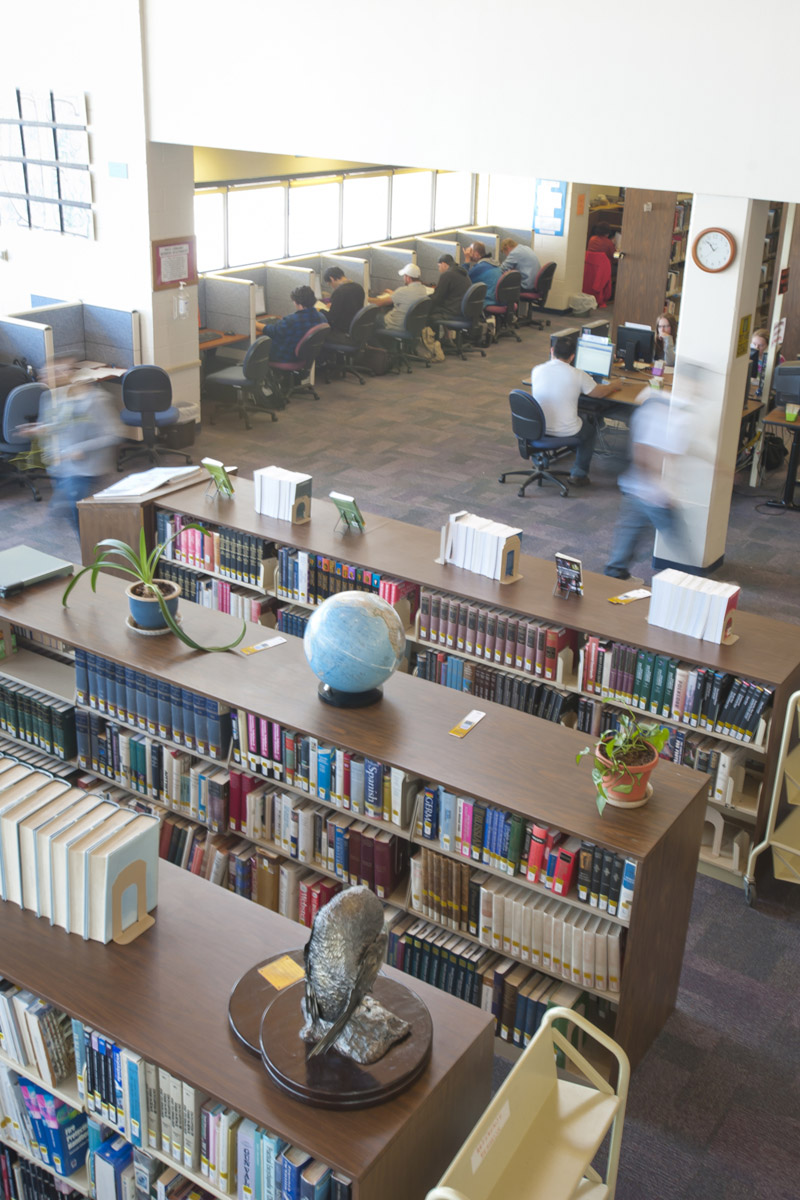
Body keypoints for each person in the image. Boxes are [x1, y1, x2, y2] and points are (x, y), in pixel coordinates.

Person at [20, 357, 121, 537]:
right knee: (73, 516)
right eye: (43, 375)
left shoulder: (96, 400)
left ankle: (98, 554)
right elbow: (55, 424)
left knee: (82, 521)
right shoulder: (50, 397)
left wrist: (81, 449)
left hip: (86, 469)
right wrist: (38, 429)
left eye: (48, 375)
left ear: (67, 374)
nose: (43, 379)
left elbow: (113, 434)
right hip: (61, 467)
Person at [604, 386, 690, 579]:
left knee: (629, 533)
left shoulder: (645, 412)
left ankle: (614, 573)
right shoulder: (675, 419)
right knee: (678, 540)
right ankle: (694, 584)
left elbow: (641, 450)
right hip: (654, 493)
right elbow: (652, 455)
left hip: (635, 486)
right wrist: (663, 488)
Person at [530, 338, 621, 487]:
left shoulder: (537, 370)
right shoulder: (578, 375)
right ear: (572, 357)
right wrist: (614, 385)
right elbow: (598, 393)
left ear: (552, 351)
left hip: (538, 429)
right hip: (566, 431)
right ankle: (579, 474)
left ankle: (541, 459)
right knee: (589, 430)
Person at [261, 285, 328, 361]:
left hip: (289, 359)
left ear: (296, 303)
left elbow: (273, 331)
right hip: (308, 357)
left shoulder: (292, 320)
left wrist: (256, 324)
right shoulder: (322, 317)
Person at [372, 264, 428, 331]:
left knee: (371, 319)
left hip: (396, 325)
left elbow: (379, 303)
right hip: (412, 325)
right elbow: (405, 296)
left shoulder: (403, 291)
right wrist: (394, 293)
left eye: (404, 276)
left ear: (408, 278)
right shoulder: (423, 289)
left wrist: (367, 297)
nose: (403, 278)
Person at [427, 253, 470, 330]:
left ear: (443, 264)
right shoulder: (463, 272)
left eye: (439, 266)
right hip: (463, 311)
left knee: (427, 313)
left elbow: (437, 298)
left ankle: (432, 340)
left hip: (453, 312)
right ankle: (445, 338)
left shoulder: (447, 275)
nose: (439, 269)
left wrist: (424, 299)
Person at [322, 266, 365, 336]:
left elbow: (331, 318)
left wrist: (320, 310)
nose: (332, 287)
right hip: (356, 328)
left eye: (330, 284)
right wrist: (333, 306)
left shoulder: (339, 292)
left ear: (331, 279)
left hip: (342, 330)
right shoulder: (359, 287)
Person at [463, 241, 503, 307]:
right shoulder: (493, 263)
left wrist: (467, 259)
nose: (468, 253)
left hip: (490, 301)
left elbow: (463, 279)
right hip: (501, 299)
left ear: (476, 254)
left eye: (470, 251)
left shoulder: (480, 268)